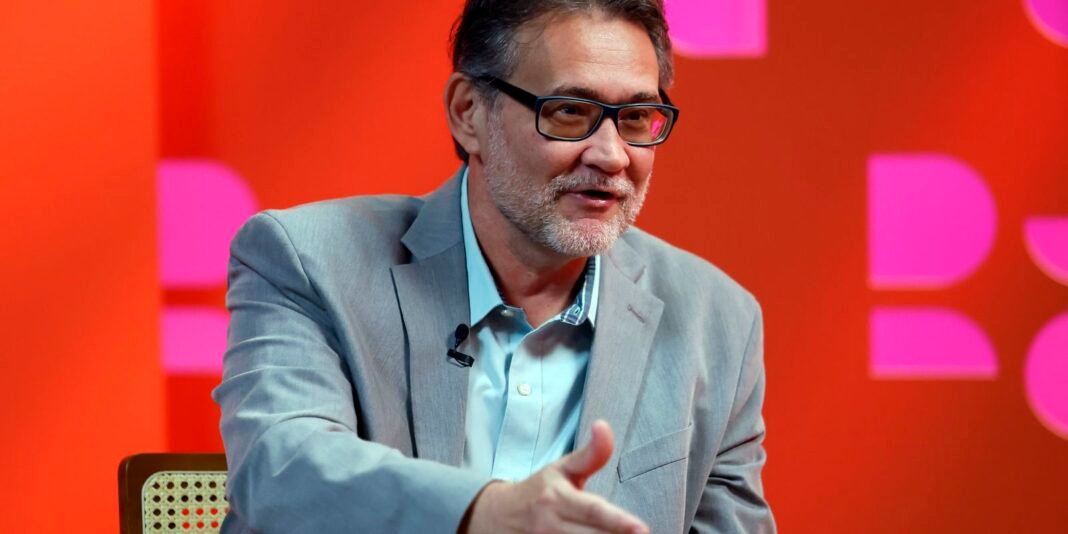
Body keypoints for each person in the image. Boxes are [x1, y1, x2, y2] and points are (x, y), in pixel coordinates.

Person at [213, 1, 775, 532]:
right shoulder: (311, 261)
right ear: (469, 113)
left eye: (635, 118)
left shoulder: (718, 323)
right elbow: (281, 468)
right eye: (570, 112)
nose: (610, 155)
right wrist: (480, 514)